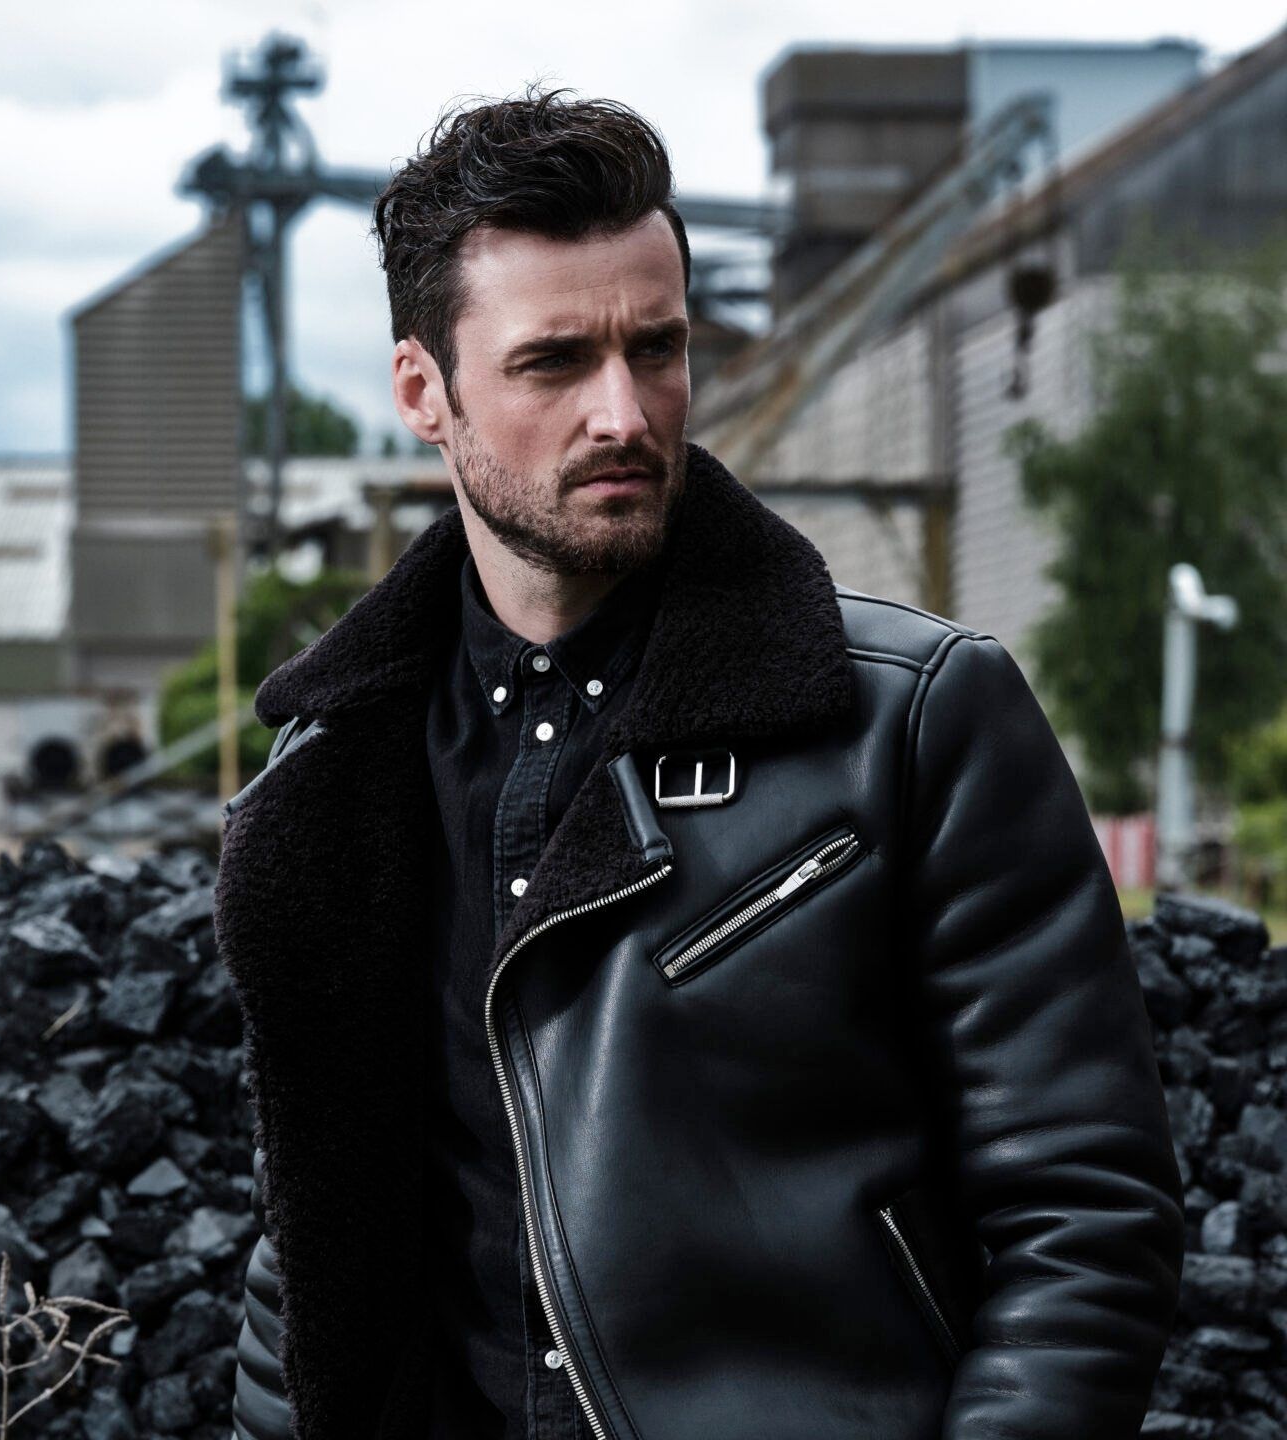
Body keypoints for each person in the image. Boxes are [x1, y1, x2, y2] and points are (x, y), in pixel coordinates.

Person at [216, 85, 1184, 1440]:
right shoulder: (332, 781)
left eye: (657, 349)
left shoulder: (914, 722)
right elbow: (312, 1241)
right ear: (423, 394)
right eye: (554, 363)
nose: (624, 411)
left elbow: (1084, 1216)